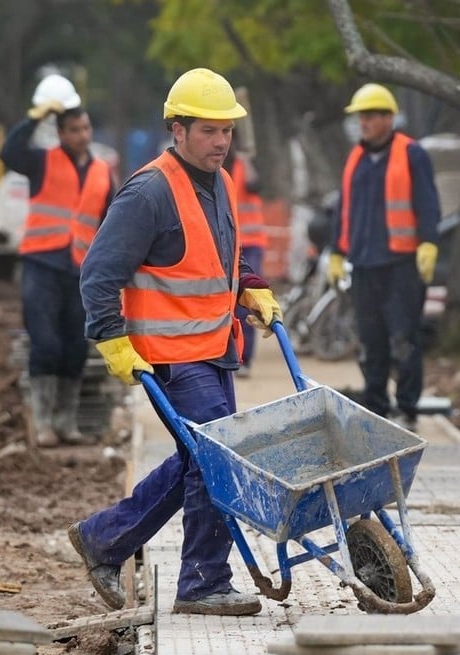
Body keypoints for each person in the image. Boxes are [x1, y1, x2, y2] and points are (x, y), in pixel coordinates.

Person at [67, 68, 282, 616]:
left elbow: (222, 259)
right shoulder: (149, 191)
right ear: (177, 129)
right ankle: (203, 583)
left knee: (201, 457)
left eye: (227, 131)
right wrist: (112, 341)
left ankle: (105, 538)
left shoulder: (222, 182)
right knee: (217, 459)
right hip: (169, 358)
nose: (220, 142)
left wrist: (251, 288)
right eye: (209, 131)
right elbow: (98, 273)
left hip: (213, 350)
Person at [0, 75, 114, 448]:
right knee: (45, 343)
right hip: (42, 264)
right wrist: (36, 117)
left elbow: (112, 222)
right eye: (73, 129)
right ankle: (44, 422)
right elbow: (9, 152)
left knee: (75, 346)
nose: (82, 135)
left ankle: (66, 424)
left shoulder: (102, 173)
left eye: (85, 128)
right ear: (60, 133)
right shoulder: (41, 161)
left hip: (81, 270)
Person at [330, 83, 441, 430]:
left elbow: (427, 202)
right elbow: (344, 210)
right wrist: (337, 251)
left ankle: (407, 404)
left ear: (389, 118)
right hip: (364, 264)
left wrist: (428, 242)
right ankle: (377, 403)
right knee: (371, 339)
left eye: (370, 116)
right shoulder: (355, 159)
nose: (364, 122)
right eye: (361, 116)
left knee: (405, 338)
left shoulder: (412, 153)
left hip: (401, 265)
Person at [225, 148, 267, 377]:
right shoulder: (214, 168)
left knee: (246, 302)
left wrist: (246, 159)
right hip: (227, 241)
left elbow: (254, 185)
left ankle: (244, 358)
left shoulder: (245, 165)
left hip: (250, 243)